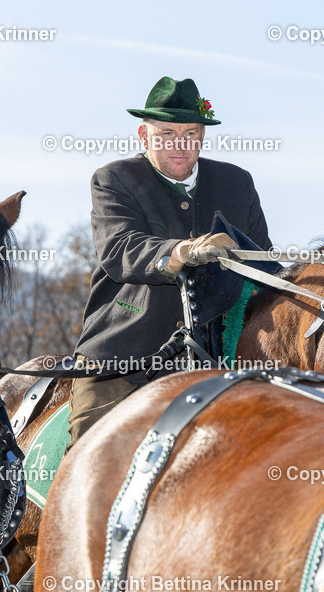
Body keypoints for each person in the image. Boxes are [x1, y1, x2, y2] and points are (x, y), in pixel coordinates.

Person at [68, 76, 272, 443]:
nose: (180, 144)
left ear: (202, 136)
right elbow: (120, 248)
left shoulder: (237, 183)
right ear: (144, 137)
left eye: (190, 133)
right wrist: (181, 251)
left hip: (221, 358)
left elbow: (265, 268)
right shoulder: (113, 179)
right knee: (89, 452)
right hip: (124, 355)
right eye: (166, 133)